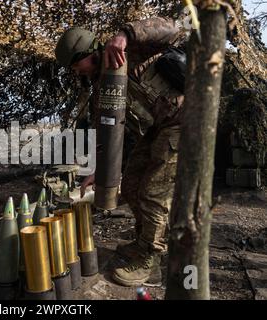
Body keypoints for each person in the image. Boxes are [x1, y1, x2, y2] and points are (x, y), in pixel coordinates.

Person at [55, 17, 185, 287]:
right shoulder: (103, 86)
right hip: (158, 128)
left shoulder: (131, 49)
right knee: (132, 186)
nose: (76, 72)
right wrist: (98, 170)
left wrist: (126, 34)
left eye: (74, 65)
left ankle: (151, 262)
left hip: (184, 120)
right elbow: (108, 133)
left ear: (86, 53)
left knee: (153, 193)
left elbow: (174, 28)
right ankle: (143, 243)